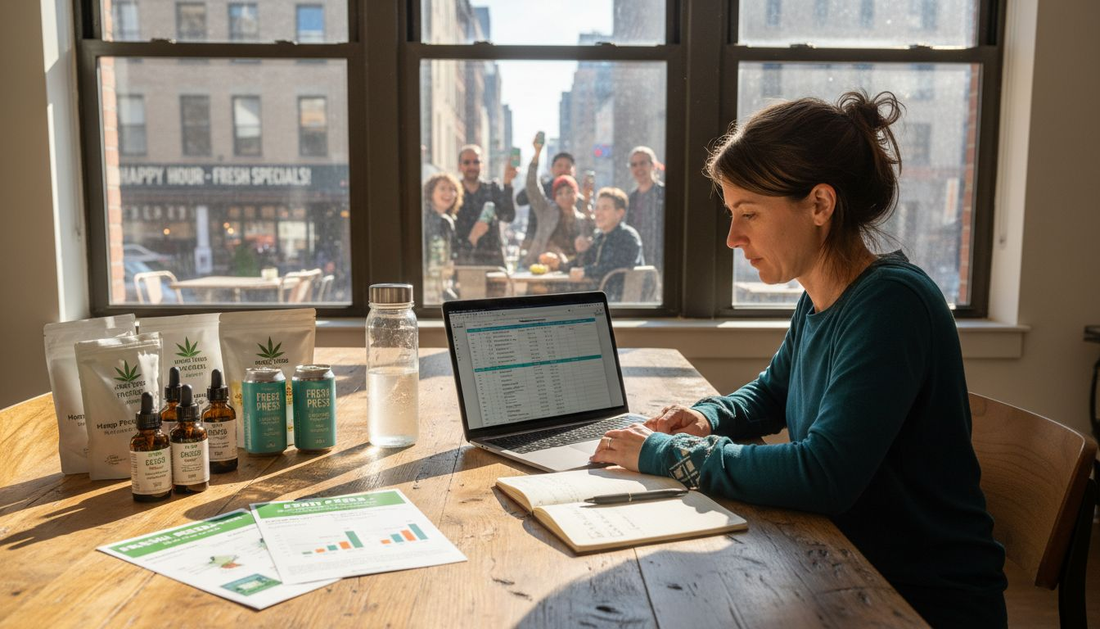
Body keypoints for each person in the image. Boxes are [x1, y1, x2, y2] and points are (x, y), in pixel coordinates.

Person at [590, 91, 1008, 628]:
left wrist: (666, 455)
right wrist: (705, 417)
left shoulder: (892, 304)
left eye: (749, 214)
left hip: (915, 599)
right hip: (845, 562)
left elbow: (823, 473)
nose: (732, 237)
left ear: (819, 205)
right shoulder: (819, 297)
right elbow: (771, 394)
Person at [541, 187, 643, 301]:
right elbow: (584, 261)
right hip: (599, 295)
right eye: (597, 207)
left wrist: (586, 272)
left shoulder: (628, 236)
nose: (598, 213)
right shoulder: (600, 236)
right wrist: (559, 265)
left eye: (605, 208)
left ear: (620, 213)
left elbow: (617, 267)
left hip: (621, 301)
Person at [521, 135, 593, 267]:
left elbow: (594, 234)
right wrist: (536, 154)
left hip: (572, 272)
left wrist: (588, 200)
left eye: (569, 192)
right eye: (560, 193)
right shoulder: (547, 210)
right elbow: (531, 186)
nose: (565, 196)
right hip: (540, 267)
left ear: (577, 194)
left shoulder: (582, 217)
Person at [455, 144, 517, 267]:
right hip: (464, 260)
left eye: (476, 162)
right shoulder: (453, 192)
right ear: (460, 166)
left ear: (482, 165)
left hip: (492, 259)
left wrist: (508, 183)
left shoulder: (492, 188)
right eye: (467, 162)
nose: (472, 166)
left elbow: (508, 216)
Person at [422, 172, 461, 302]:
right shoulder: (438, 220)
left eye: (452, 189)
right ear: (430, 192)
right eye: (442, 188)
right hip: (430, 284)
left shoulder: (446, 220)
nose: (448, 193)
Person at [626, 146, 664, 277]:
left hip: (661, 258)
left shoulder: (664, 193)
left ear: (653, 165)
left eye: (642, 163)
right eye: (634, 164)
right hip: (638, 260)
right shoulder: (631, 198)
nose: (638, 168)